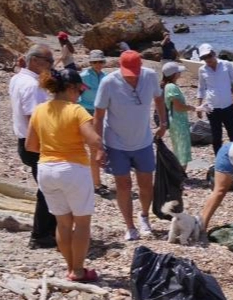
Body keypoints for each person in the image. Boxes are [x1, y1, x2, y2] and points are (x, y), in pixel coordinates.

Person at [25, 69, 104, 282]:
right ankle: (79, 270)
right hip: (73, 169)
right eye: (79, 90)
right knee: (82, 222)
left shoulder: (39, 110)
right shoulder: (76, 110)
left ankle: (70, 267)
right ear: (70, 88)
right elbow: (93, 140)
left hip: (46, 169)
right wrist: (100, 148)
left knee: (63, 223)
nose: (79, 94)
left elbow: (30, 145)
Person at [93, 50, 167, 241]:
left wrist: (163, 123)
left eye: (135, 73)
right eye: (128, 74)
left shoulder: (149, 76)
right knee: (123, 185)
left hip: (142, 140)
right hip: (116, 142)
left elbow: (159, 98)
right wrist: (99, 147)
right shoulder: (109, 82)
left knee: (146, 184)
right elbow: (99, 115)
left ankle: (144, 217)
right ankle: (129, 226)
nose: (132, 77)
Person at [9, 44, 59, 249]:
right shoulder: (32, 85)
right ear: (36, 60)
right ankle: (41, 234)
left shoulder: (18, 78)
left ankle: (47, 231)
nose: (51, 66)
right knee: (49, 189)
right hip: (36, 142)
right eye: (49, 62)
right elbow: (35, 119)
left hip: (25, 141)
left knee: (46, 187)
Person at [195, 43, 233, 154]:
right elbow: (201, 88)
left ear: (214, 53)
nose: (207, 59)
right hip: (212, 109)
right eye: (204, 57)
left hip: (228, 107)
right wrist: (199, 106)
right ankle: (220, 162)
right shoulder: (202, 70)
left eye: (209, 56)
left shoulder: (226, 65)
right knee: (216, 138)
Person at [79, 50, 110, 196]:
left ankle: (94, 181)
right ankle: (95, 183)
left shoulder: (105, 77)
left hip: (100, 113)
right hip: (86, 113)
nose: (98, 64)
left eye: (100, 61)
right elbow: (77, 94)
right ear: (91, 63)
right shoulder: (83, 77)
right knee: (93, 148)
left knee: (96, 148)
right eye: (95, 62)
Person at [161, 62, 195, 169]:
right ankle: (181, 176)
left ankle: (179, 175)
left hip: (175, 120)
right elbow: (178, 107)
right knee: (182, 149)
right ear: (174, 74)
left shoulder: (168, 86)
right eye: (178, 72)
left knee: (178, 148)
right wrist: (192, 108)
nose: (180, 73)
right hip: (178, 121)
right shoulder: (172, 87)